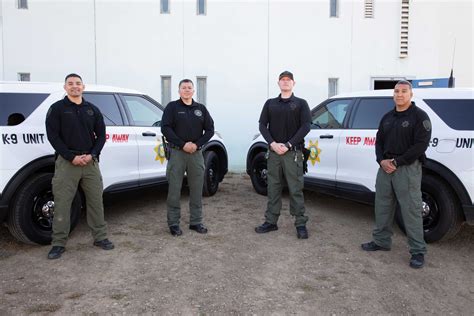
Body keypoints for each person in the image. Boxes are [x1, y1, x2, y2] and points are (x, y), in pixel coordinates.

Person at [361, 80, 431, 269]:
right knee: (382, 206)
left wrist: (397, 162)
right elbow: (379, 142)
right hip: (385, 168)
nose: (399, 94)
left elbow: (420, 145)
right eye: (396, 91)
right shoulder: (387, 117)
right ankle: (381, 241)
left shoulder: (419, 117)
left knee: (411, 210)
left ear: (411, 94)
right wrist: (381, 161)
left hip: (406, 169)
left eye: (403, 91)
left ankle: (417, 251)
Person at [45, 73, 114, 259]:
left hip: (90, 163)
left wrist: (92, 155)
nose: (74, 86)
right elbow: (53, 136)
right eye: (70, 84)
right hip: (67, 163)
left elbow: (101, 135)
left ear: (83, 87)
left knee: (95, 201)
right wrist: (70, 156)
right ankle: (58, 243)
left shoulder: (92, 109)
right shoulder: (57, 108)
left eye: (78, 83)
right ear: (65, 87)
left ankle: (100, 237)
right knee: (62, 203)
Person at [255, 71, 311, 239]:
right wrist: (272, 143)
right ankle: (271, 222)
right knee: (273, 188)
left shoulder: (301, 103)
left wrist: (288, 145)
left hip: (292, 153)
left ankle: (300, 224)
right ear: (278, 83)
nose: (285, 82)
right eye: (282, 80)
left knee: (295, 189)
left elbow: (306, 126)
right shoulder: (270, 103)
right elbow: (262, 125)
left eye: (288, 80)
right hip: (273, 153)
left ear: (294, 83)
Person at [161, 79, 214, 236]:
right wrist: (182, 144)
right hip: (177, 153)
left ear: (193, 91)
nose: (186, 90)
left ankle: (196, 222)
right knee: (174, 190)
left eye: (189, 87)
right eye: (183, 88)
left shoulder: (201, 109)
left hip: (196, 155)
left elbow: (210, 130)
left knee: (197, 189)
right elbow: (165, 128)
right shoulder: (172, 107)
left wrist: (197, 145)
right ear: (179, 91)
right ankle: (173, 223)